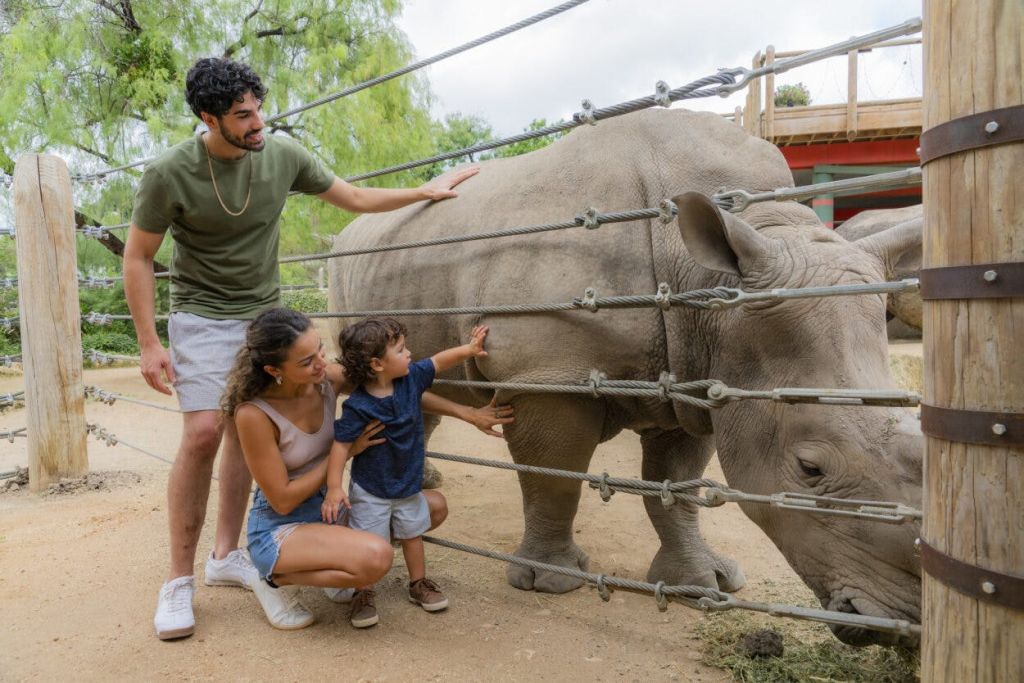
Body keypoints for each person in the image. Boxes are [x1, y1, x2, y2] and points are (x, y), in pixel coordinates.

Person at [124, 56, 486, 640]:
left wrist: (427, 190)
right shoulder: (171, 172)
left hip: (267, 316)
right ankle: (178, 579)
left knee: (253, 430)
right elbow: (138, 256)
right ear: (208, 118)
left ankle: (226, 557)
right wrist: (147, 342)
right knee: (201, 434)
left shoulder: (281, 154)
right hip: (202, 315)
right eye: (243, 115)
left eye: (258, 107)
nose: (258, 121)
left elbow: (355, 198)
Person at [221, 308, 497, 631]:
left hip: (328, 512)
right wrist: (347, 452)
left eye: (320, 350)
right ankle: (268, 579)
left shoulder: (327, 378)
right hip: (282, 525)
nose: (322, 364)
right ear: (273, 369)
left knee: (432, 507)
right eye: (306, 361)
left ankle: (338, 559)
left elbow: (400, 388)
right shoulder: (253, 414)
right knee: (377, 559)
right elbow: (282, 500)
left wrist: (467, 413)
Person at [321, 319, 488, 628]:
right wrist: (334, 487)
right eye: (401, 350)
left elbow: (438, 361)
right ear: (377, 364)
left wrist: (470, 349)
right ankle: (363, 592)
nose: (409, 353)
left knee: (412, 535)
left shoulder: (411, 380)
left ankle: (418, 583)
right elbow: (341, 446)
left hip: (408, 484)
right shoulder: (358, 405)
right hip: (371, 490)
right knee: (368, 542)